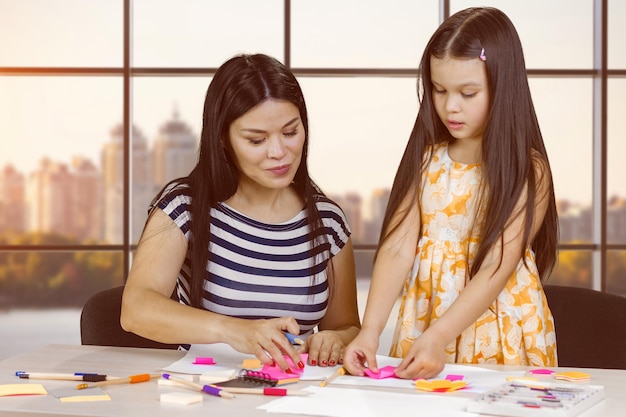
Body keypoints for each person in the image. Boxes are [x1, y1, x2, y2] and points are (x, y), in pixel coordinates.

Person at [343, 7, 559, 380]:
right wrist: (370, 331)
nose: (450, 106)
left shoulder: (527, 169)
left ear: (503, 86)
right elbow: (397, 247)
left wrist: (439, 335)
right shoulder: (427, 159)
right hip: (425, 326)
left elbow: (496, 265)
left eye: (467, 92)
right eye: (439, 90)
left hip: (501, 332)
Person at [121, 53, 361, 373]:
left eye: (290, 132)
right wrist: (234, 330)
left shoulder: (328, 222)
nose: (278, 152)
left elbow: (348, 326)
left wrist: (335, 339)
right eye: (256, 139)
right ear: (224, 139)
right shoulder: (184, 207)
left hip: (296, 393)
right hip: (204, 390)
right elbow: (136, 309)